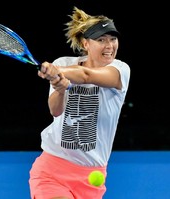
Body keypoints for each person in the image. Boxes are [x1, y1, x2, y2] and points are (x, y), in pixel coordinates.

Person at [29, 6, 130, 199]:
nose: (109, 46)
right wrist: (59, 88)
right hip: (52, 168)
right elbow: (55, 111)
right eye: (101, 40)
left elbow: (85, 75)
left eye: (113, 39)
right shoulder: (64, 62)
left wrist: (57, 71)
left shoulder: (120, 70)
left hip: (92, 175)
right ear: (86, 44)